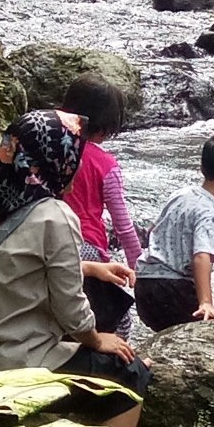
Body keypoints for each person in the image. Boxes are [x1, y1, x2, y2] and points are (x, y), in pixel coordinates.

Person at [0, 109, 151, 427]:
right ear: (58, 157)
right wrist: (99, 340)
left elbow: (11, 263)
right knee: (131, 377)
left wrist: (89, 267)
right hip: (13, 362)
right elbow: (71, 311)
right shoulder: (55, 215)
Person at [135, 131, 214, 332]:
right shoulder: (210, 210)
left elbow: (153, 230)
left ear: (202, 167)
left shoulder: (181, 194)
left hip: (144, 285)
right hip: (172, 290)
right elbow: (201, 257)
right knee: (211, 331)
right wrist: (206, 302)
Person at [62, 73, 143, 337]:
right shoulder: (106, 165)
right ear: (106, 126)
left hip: (54, 243)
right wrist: (138, 269)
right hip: (89, 248)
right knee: (117, 321)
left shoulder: (52, 149)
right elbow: (123, 225)